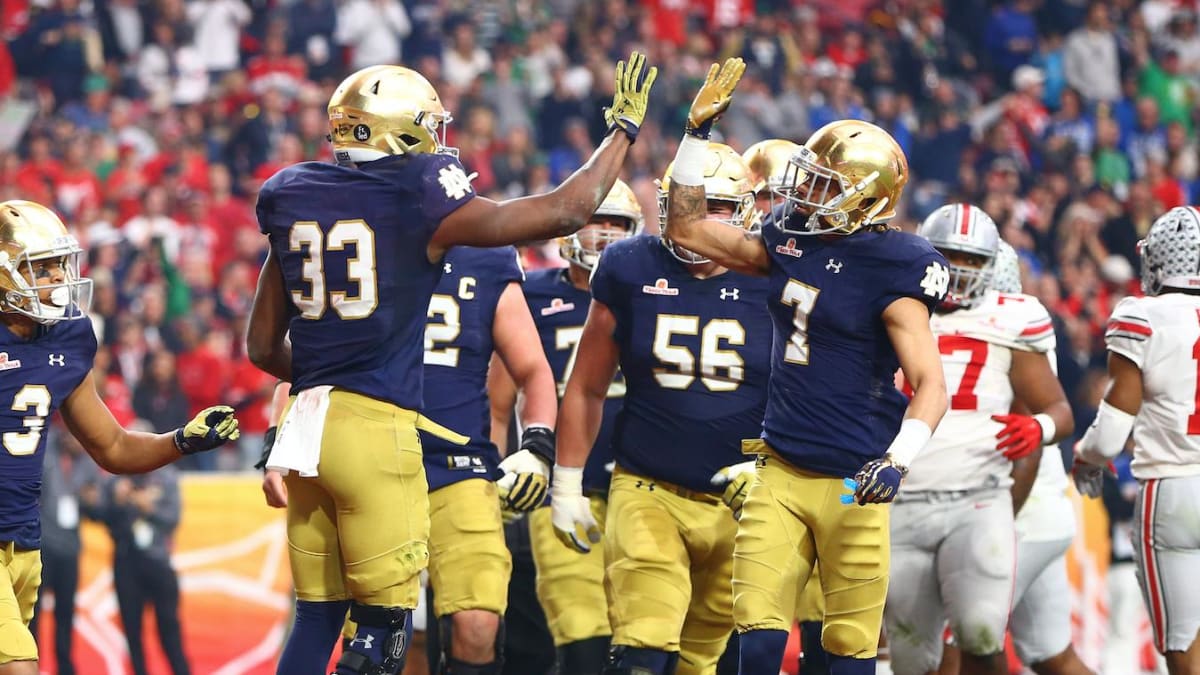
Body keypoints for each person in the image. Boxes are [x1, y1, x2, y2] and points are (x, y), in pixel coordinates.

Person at [245, 54, 657, 675]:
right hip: (377, 429)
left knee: (317, 615)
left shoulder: (291, 194)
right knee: (381, 632)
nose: (438, 142)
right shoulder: (418, 196)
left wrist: (322, 377)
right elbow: (565, 211)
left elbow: (260, 347)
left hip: (310, 424)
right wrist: (622, 131)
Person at [653, 59, 951, 675]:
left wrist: (897, 461)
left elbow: (930, 386)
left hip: (854, 480)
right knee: (757, 642)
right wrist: (694, 136)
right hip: (779, 469)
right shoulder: (791, 237)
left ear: (866, 197)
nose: (801, 194)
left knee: (846, 653)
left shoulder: (893, 264)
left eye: (821, 184)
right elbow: (686, 225)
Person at [551, 142, 772, 675]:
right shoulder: (630, 264)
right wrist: (567, 480)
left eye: (716, 206)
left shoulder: (777, 275)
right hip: (648, 486)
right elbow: (586, 385)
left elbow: (808, 392)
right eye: (689, 201)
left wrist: (772, 461)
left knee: (698, 662)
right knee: (643, 655)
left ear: (743, 210)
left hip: (743, 504)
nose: (699, 217)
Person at [0, 199, 240, 675]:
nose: (56, 280)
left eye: (57, 266)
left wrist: (181, 441)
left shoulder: (66, 335)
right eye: (41, 268)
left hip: (24, 540)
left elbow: (110, 446)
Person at [884, 206, 1073, 675]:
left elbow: (1059, 409)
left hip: (978, 499)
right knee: (911, 658)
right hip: (901, 498)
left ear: (990, 264)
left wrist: (1039, 429)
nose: (959, 269)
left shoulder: (1012, 318)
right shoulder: (894, 306)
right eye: (949, 255)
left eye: (971, 259)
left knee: (979, 636)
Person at [488, 179, 642, 675]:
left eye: (617, 223)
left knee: (644, 634)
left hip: (645, 484)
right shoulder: (530, 294)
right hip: (556, 482)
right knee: (580, 635)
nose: (605, 234)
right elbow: (497, 398)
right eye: (597, 219)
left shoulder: (655, 290)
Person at [1074, 206, 1200, 675]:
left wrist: (1085, 456)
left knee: (1182, 647)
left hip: (1171, 487)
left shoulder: (1143, 314)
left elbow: (1109, 438)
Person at [741, 138, 828, 675]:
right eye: (773, 198)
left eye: (794, 197)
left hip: (810, 460)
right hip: (741, 462)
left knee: (825, 625)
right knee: (749, 623)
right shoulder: (723, 266)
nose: (786, 212)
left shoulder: (831, 268)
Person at [990, 241, 1095, 675]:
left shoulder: (998, 328)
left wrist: (999, 519)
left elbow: (1026, 434)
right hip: (1044, 508)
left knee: (964, 642)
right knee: (1055, 658)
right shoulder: (1021, 316)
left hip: (1020, 511)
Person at [98, 462, 191, 675]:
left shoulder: (166, 477)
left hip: (159, 562)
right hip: (126, 561)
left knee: (169, 630)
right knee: (132, 633)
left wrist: (149, 509)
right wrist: (117, 501)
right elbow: (100, 515)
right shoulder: (116, 478)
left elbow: (173, 519)